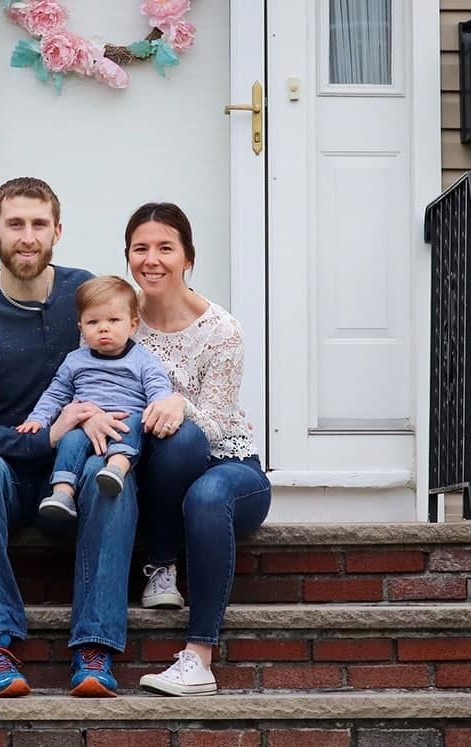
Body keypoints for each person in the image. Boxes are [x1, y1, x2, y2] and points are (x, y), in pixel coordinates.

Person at [0, 177, 138, 699]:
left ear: (58, 231)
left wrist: (94, 417)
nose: (28, 236)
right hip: (2, 482)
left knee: (109, 474)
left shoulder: (85, 296)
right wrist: (43, 438)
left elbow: (131, 369)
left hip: (75, 475)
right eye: (15, 224)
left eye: (39, 224)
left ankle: (95, 651)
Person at [119, 202, 272, 696]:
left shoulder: (221, 330)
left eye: (166, 247)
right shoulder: (121, 323)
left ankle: (199, 657)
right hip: (156, 471)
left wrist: (176, 403)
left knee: (200, 480)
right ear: (127, 256)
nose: (152, 259)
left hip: (230, 469)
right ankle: (159, 569)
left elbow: (218, 422)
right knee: (172, 438)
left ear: (188, 257)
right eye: (141, 248)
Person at [17, 276, 173, 520]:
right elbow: (56, 393)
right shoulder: (75, 360)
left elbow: (157, 388)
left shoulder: (143, 359)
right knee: (70, 442)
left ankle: (116, 470)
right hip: (84, 422)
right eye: (93, 322)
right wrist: (38, 419)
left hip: (126, 416)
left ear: (132, 325)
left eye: (113, 320)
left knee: (131, 424)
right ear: (81, 328)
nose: (103, 328)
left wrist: (160, 408)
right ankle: (62, 494)